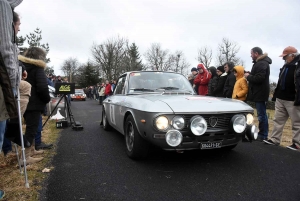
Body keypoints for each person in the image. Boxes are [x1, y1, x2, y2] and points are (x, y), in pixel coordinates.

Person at [0, 0, 23, 198]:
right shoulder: (3, 7)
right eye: (18, 26)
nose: (19, 29)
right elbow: (6, 50)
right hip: (4, 83)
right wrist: (13, 84)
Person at [264, 46, 300, 150]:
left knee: (296, 122)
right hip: (280, 97)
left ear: (292, 56)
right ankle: (275, 139)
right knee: (278, 120)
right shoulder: (286, 66)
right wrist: (276, 95)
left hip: (293, 99)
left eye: (285, 57)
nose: (283, 59)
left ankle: (297, 144)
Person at [18, 47, 50, 165]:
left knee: (29, 128)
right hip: (34, 104)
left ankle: (31, 150)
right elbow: (42, 87)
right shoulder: (38, 68)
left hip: (24, 100)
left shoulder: (22, 66)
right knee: (31, 129)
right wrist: (46, 99)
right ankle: (25, 157)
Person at [244, 47, 271, 141]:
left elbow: (259, 78)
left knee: (261, 115)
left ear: (256, 53)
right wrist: (251, 74)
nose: (250, 55)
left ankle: (263, 134)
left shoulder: (262, 63)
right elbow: (259, 75)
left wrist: (248, 76)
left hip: (260, 93)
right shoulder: (260, 63)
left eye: (251, 53)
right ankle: (263, 134)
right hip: (259, 92)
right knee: (261, 114)